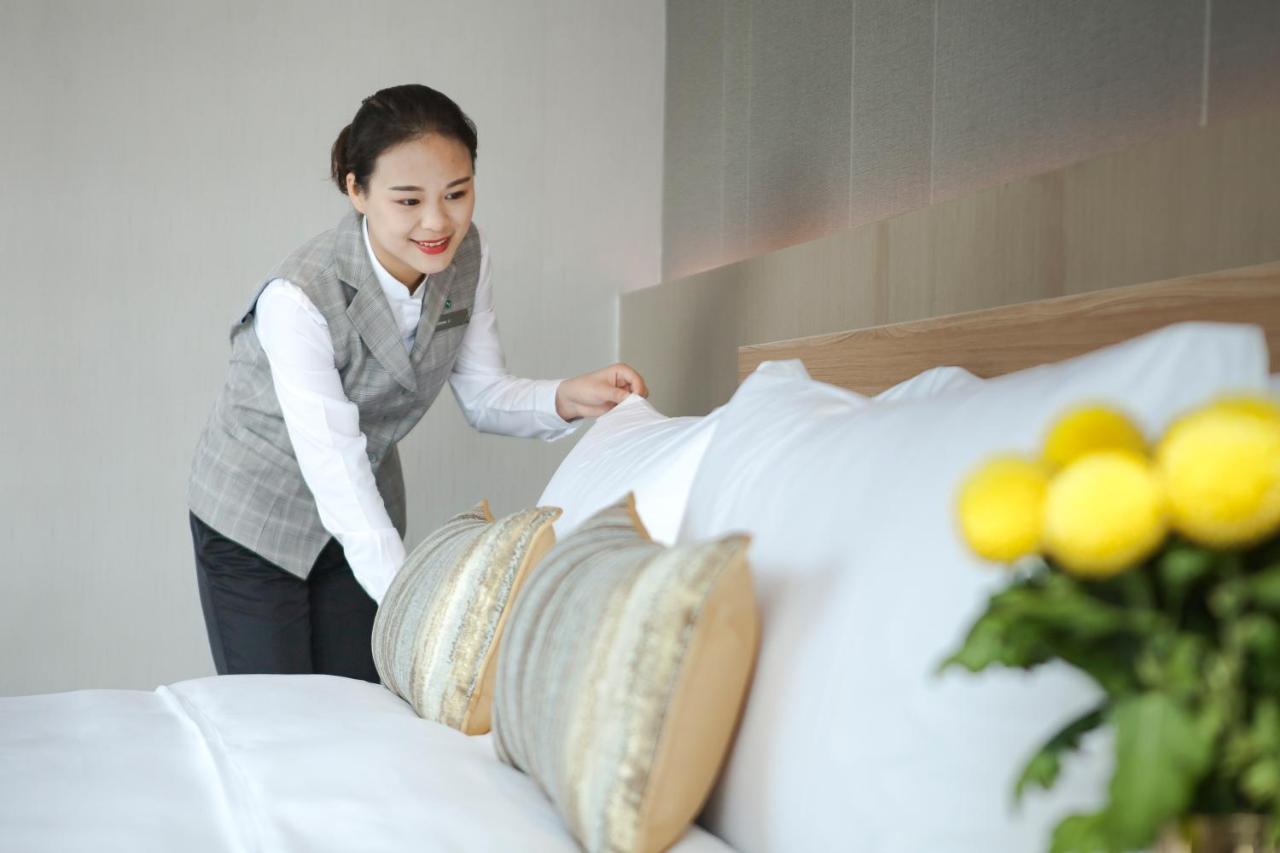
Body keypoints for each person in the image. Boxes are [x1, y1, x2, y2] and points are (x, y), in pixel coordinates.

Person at [186, 83, 647, 683]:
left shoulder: (467, 256)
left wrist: (568, 397)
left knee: (359, 702)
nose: (437, 222)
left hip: (365, 509)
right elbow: (333, 462)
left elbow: (483, 394)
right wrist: (416, 605)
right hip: (255, 515)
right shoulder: (298, 297)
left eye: (457, 193)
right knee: (272, 713)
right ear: (356, 190)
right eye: (408, 200)